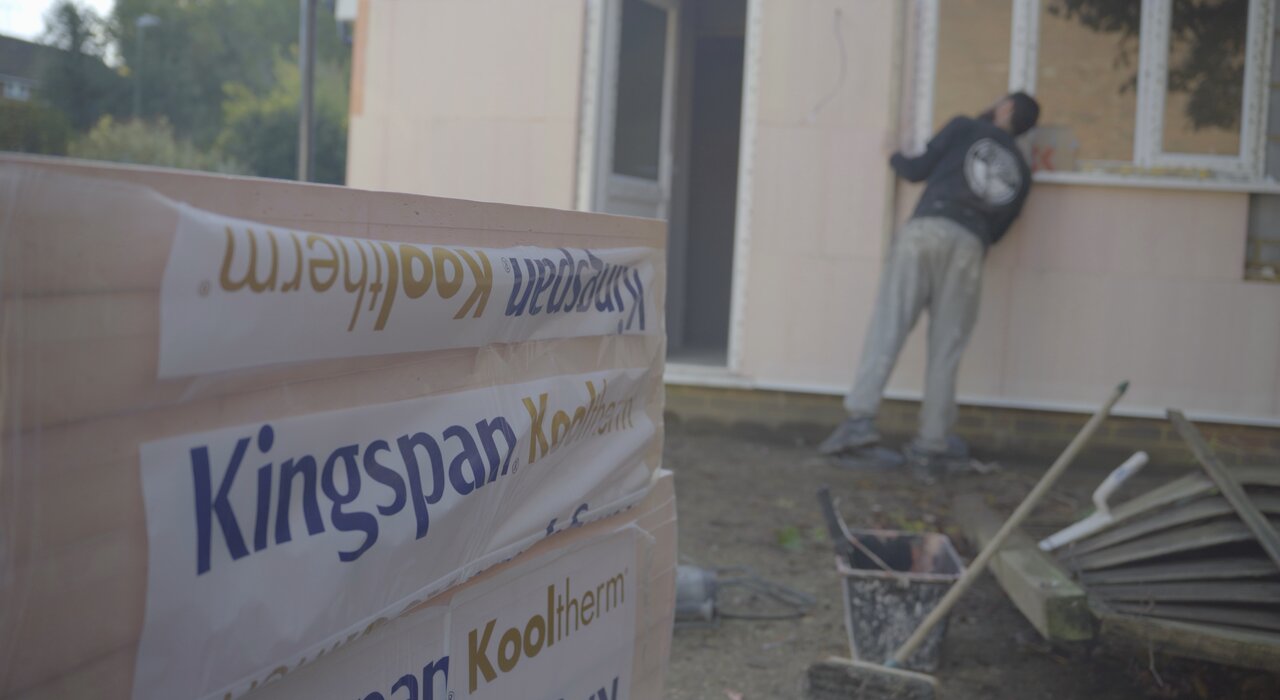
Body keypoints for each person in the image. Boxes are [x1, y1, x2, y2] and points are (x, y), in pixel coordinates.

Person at [819, 92, 1041, 477]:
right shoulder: (1021, 169)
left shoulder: (965, 126)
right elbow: (1000, 231)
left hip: (926, 231)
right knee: (947, 346)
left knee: (890, 325)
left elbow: (916, 169)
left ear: (1006, 109)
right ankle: (931, 444)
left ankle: (859, 423)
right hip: (971, 245)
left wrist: (893, 153)